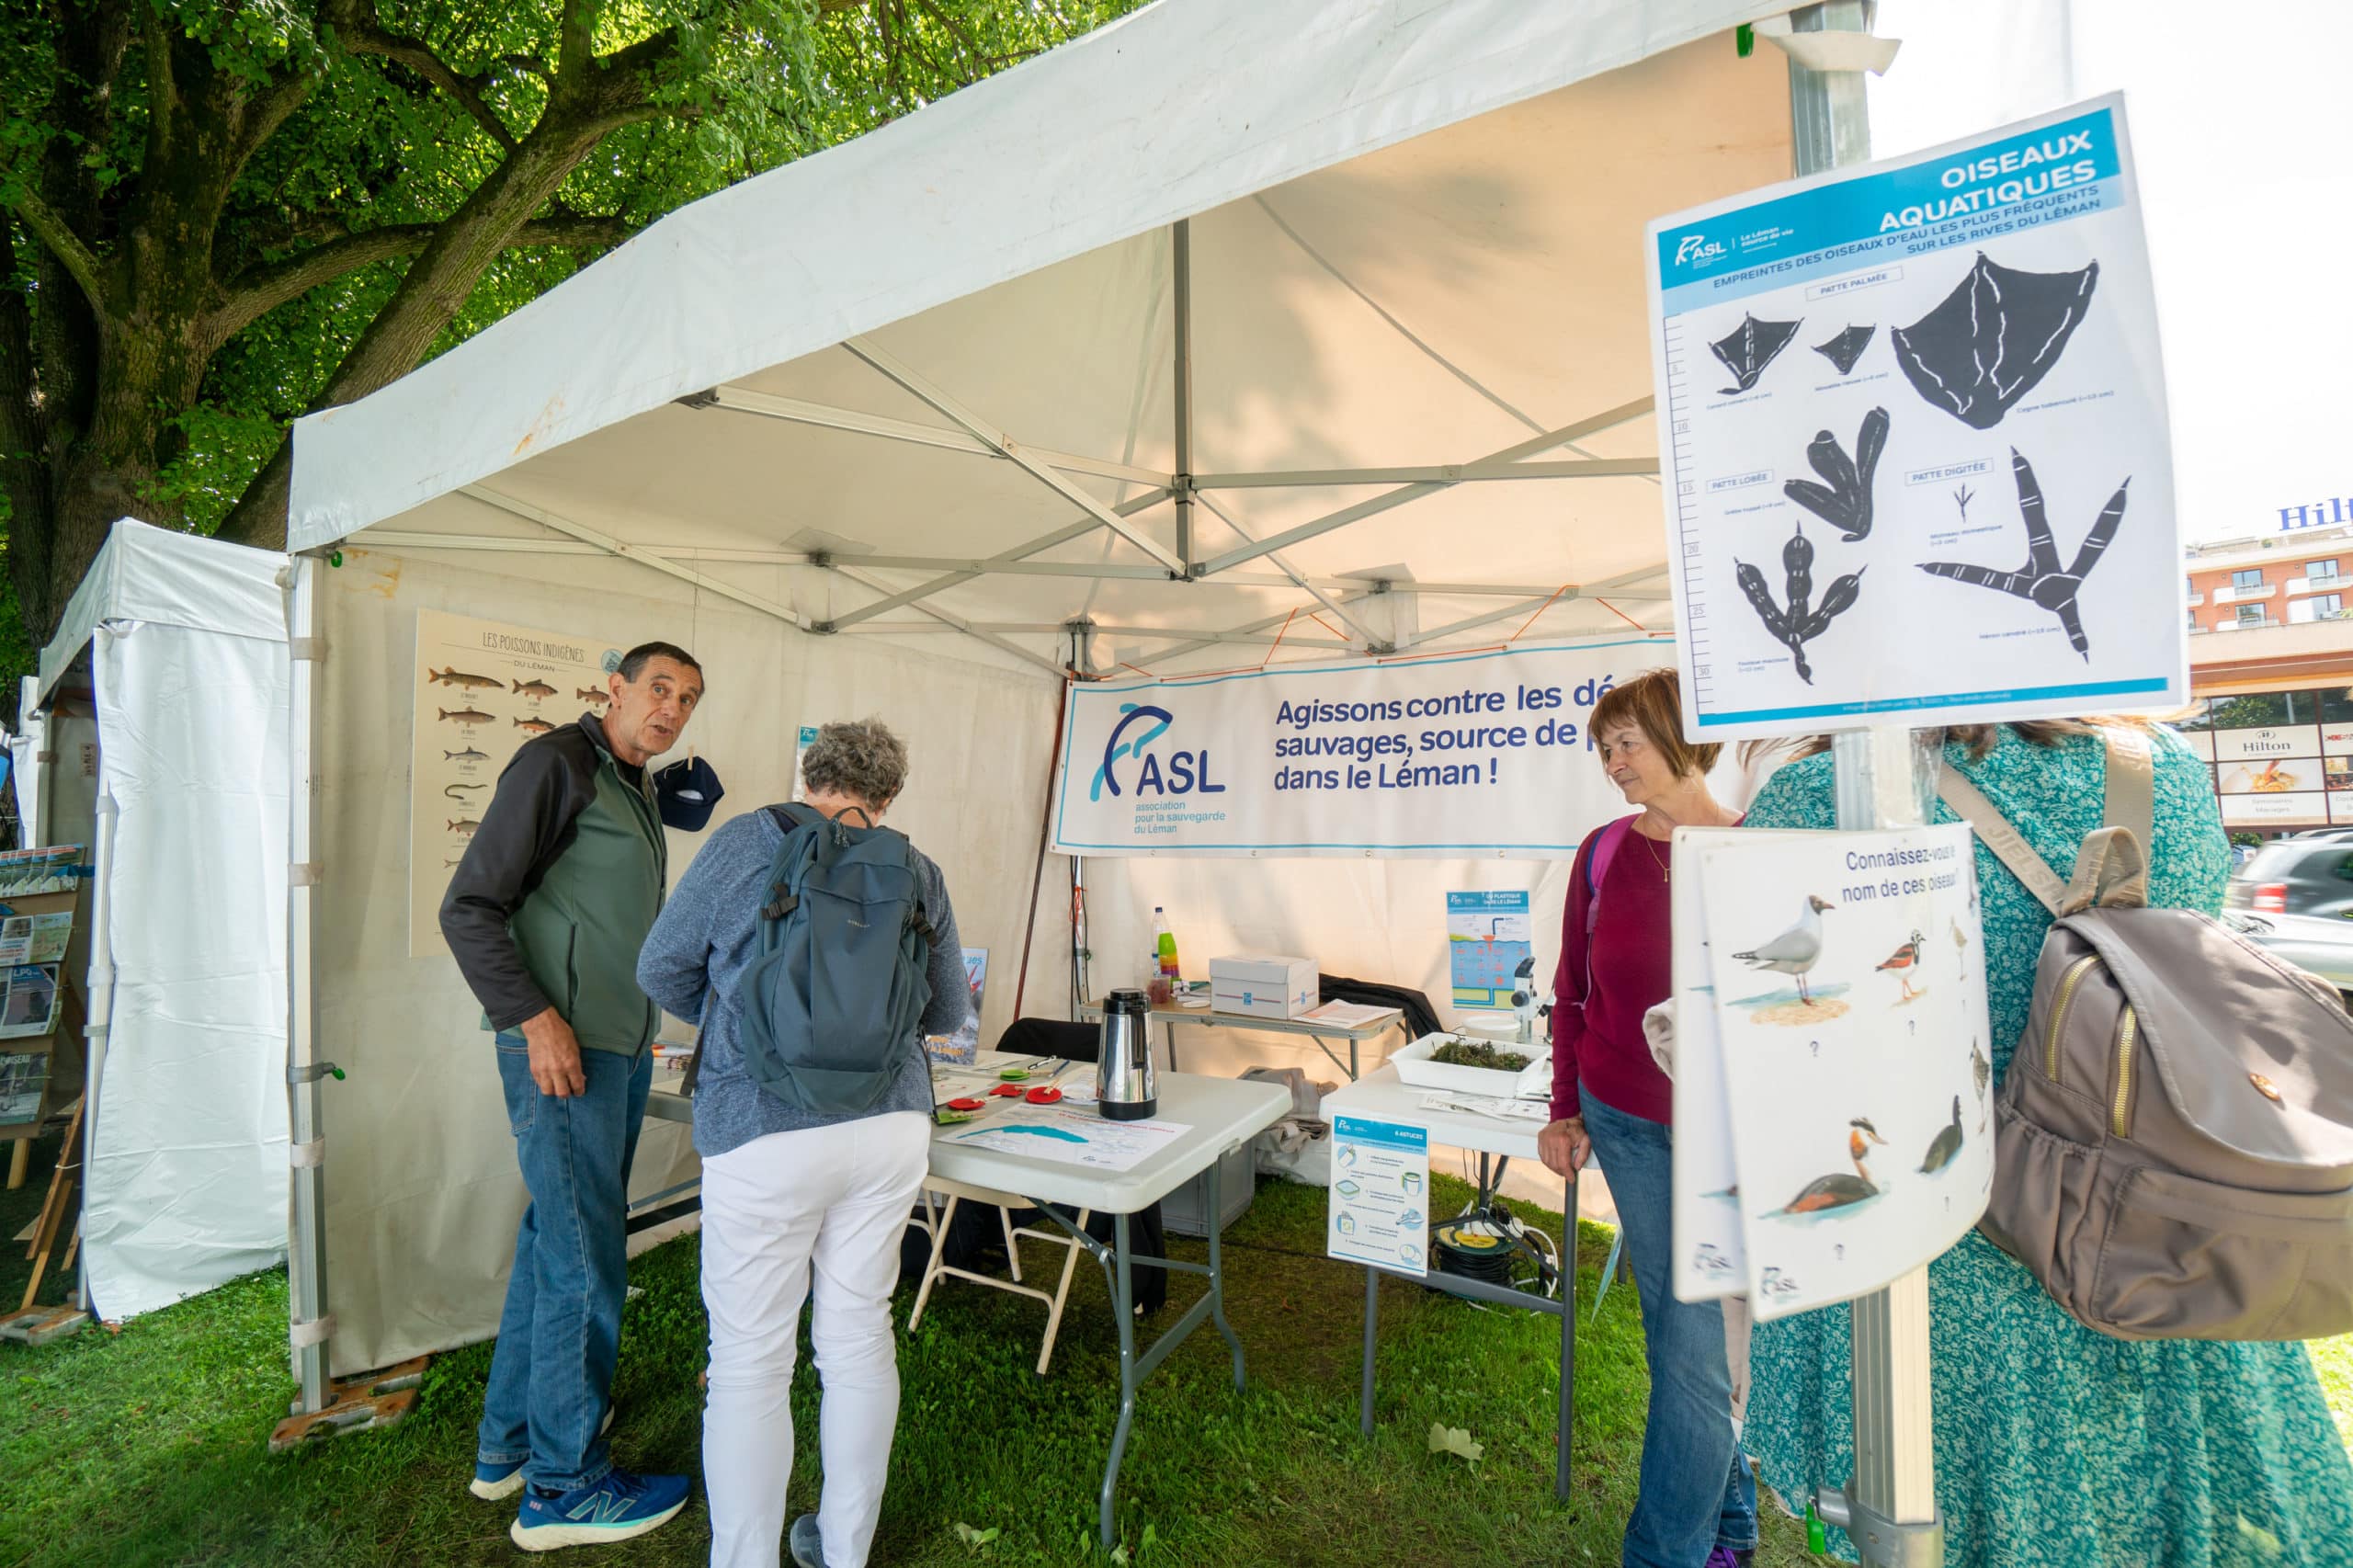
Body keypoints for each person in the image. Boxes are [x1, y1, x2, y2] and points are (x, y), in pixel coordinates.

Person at [1741, 722, 2353, 1567]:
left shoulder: (1830, 789)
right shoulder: (2160, 764)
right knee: (2168, 1520)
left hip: (1961, 1248)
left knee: (1961, 1520)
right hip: (2163, 1211)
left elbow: (1778, 1040)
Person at [636, 719, 970, 1568]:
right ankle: (843, 1549)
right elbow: (944, 1013)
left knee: (750, 1361)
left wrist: (738, 1013)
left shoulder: (745, 841)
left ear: (810, 774)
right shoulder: (916, 867)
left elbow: (661, 967)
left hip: (764, 1127)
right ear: (889, 796)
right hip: (889, 1126)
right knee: (858, 1336)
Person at [440, 642, 705, 1551]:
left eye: (688, 698)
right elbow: (468, 904)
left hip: (614, 1049)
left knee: (558, 1242)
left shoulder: (629, 782)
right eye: (659, 688)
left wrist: (639, 1025)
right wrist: (535, 1019)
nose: (671, 708)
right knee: (586, 1258)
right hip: (565, 1053)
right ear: (617, 688)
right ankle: (564, 1485)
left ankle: (507, 1447)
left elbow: (601, 919)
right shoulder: (557, 761)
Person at [1537, 668, 1755, 1568]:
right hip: (1623, 1117)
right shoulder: (1600, 853)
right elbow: (1570, 993)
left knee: (1707, 1343)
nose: (1612, 761)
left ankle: (1717, 1532)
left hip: (1733, 1133)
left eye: (1627, 740)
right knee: (1691, 1338)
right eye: (1603, 747)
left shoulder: (1760, 850)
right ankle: (1685, 1545)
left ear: (1680, 735)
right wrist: (1562, 1108)